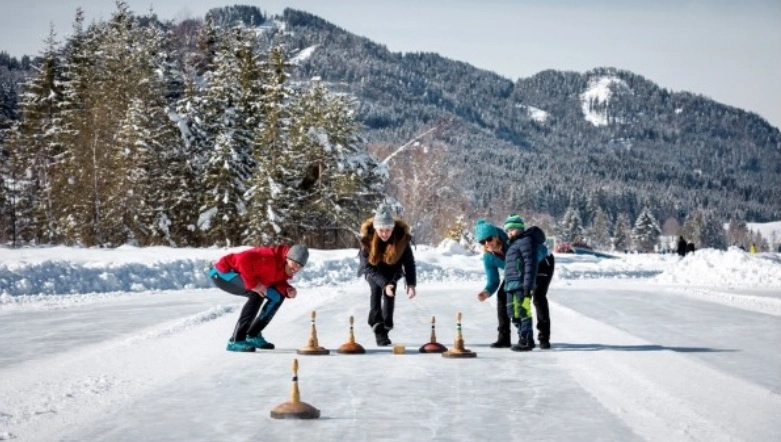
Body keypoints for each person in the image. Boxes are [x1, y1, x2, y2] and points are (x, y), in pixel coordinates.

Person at [209, 244, 309, 352]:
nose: (296, 268)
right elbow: (243, 259)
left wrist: (287, 289)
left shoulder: (283, 266)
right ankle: (236, 340)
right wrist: (253, 285)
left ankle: (253, 335)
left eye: (300, 266)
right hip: (223, 273)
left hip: (239, 274)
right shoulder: (269, 257)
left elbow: (274, 280)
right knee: (256, 293)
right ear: (287, 258)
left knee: (277, 297)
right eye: (294, 263)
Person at [358, 205, 417, 346]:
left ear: (393, 228)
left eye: (388, 230)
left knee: (390, 293)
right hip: (374, 270)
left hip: (393, 270)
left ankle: (387, 324)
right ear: (376, 229)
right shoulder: (367, 240)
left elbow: (409, 263)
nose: (384, 234)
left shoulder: (401, 239)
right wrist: (384, 284)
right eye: (381, 230)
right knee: (377, 289)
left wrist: (411, 284)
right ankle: (377, 324)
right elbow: (367, 267)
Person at [502, 214, 555, 351]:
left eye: (512, 229)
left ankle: (527, 340)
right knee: (512, 312)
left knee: (525, 309)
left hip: (523, 282)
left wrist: (528, 286)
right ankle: (523, 336)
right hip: (511, 285)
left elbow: (530, 265)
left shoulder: (526, 242)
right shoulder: (513, 245)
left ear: (519, 229)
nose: (509, 233)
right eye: (507, 231)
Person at [474, 219, 512, 348]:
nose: (486, 243)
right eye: (482, 242)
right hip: (513, 274)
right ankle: (504, 338)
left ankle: (532, 337)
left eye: (489, 239)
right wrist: (486, 292)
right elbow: (493, 280)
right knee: (502, 296)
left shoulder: (511, 244)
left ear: (496, 237)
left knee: (534, 298)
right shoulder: (488, 257)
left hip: (533, 269)